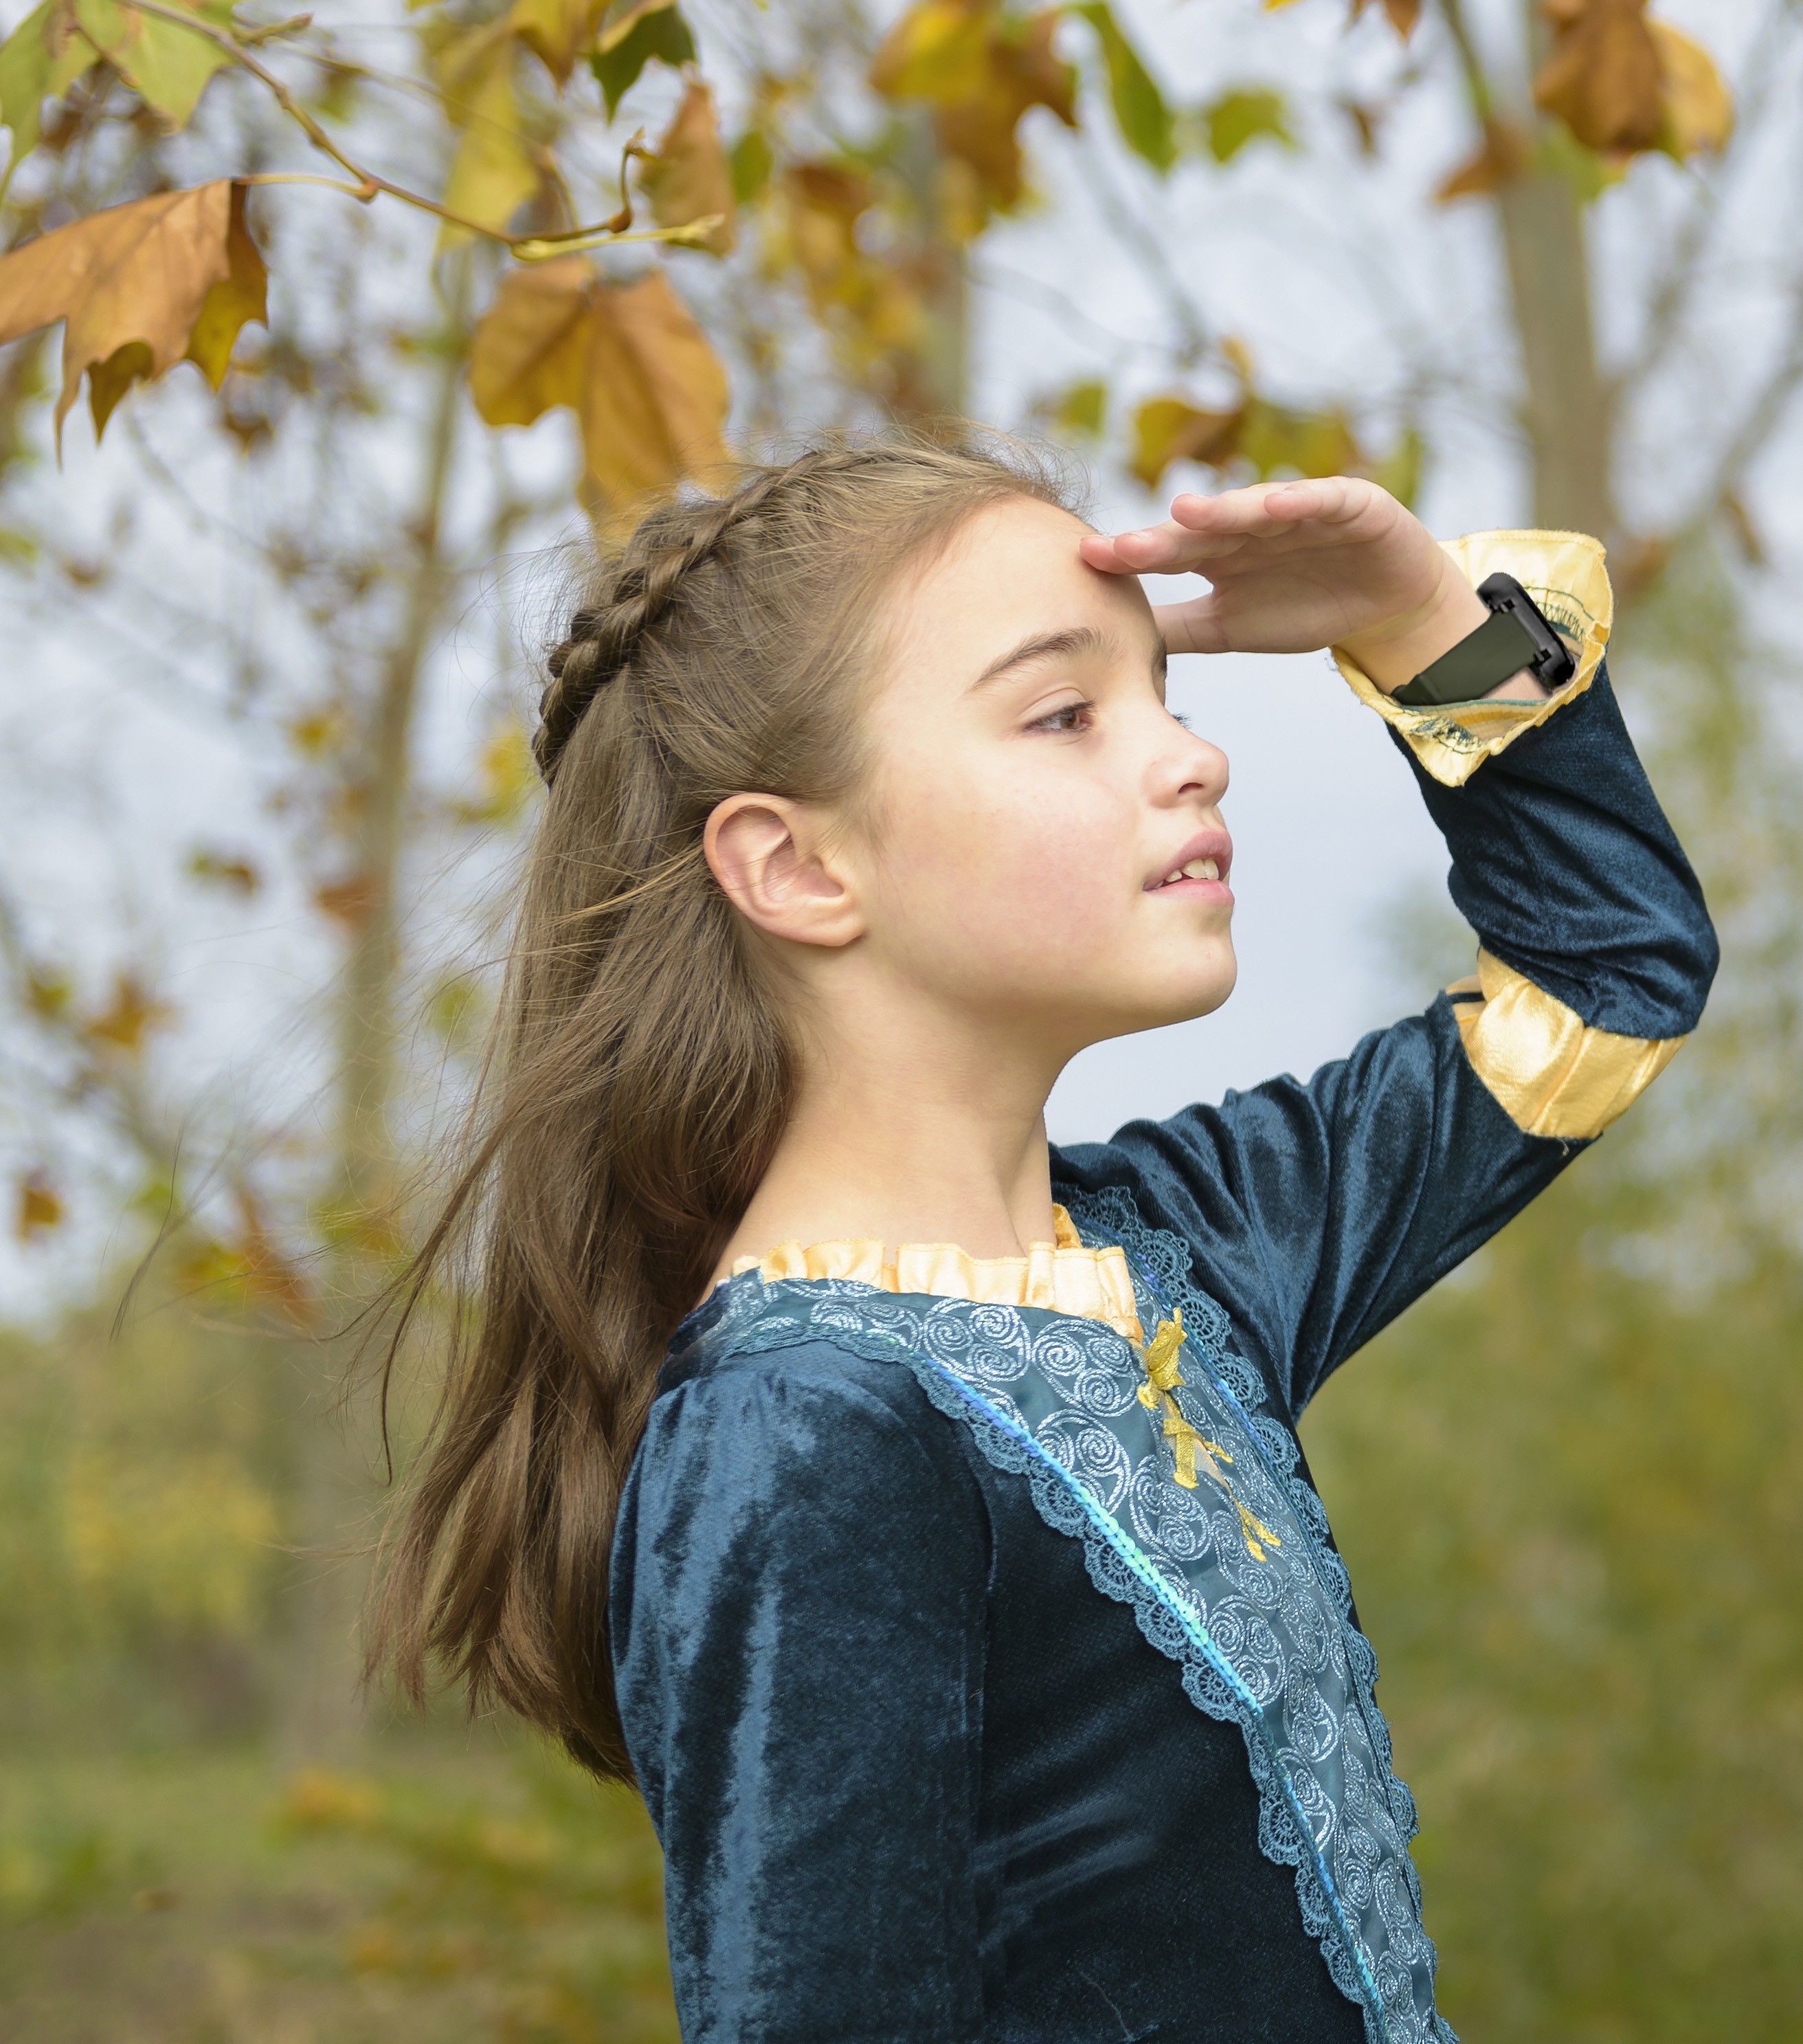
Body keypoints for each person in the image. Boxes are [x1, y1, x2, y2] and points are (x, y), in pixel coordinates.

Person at [372, 432, 1715, 2043]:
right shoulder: (803, 1436)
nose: (1190, 757)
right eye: (1066, 714)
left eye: (1167, 695)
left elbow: (1607, 975)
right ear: (796, 865)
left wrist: (1430, 615)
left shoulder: (1177, 1253)